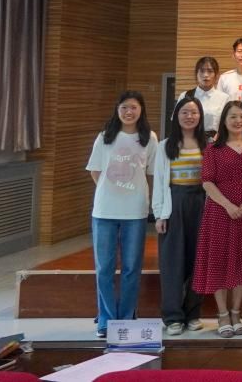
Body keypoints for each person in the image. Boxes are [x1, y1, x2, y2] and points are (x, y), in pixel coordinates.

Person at [86, 91, 159, 339]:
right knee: (104, 267)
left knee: (131, 268)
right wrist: (111, 190)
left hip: (135, 211)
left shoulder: (149, 138)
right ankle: (106, 320)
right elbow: (95, 171)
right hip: (104, 210)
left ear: (141, 110)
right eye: (124, 107)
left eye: (134, 107)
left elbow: (152, 174)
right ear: (117, 110)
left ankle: (126, 318)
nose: (129, 112)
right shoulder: (105, 136)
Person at [192, 101, 242, 338]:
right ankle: (222, 313)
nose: (238, 121)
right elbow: (207, 181)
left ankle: (236, 312)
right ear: (224, 120)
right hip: (219, 212)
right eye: (233, 117)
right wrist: (228, 205)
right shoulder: (213, 149)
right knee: (219, 259)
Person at [153, 96, 207, 335]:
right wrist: (159, 214)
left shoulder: (208, 145)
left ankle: (193, 313)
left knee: (199, 261)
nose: (189, 116)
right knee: (172, 262)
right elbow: (159, 182)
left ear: (200, 116)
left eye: (194, 112)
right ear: (176, 116)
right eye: (184, 112)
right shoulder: (165, 145)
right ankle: (173, 316)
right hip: (174, 202)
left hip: (201, 202)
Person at [182, 56, 228, 134]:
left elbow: (228, 124)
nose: (206, 75)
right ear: (196, 74)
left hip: (215, 140)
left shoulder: (224, 98)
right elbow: (176, 121)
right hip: (190, 138)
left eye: (210, 71)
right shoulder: (185, 95)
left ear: (216, 75)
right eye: (202, 71)